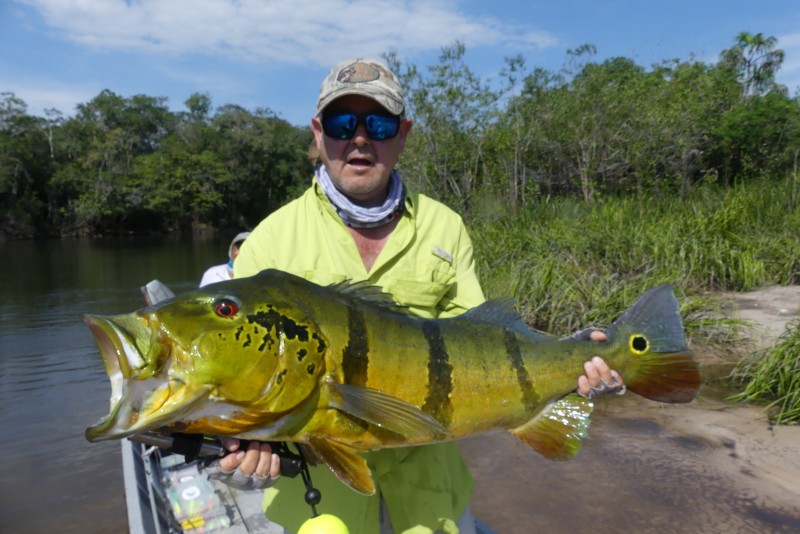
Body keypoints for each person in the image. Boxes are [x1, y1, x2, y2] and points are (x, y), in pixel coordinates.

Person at [218, 58, 624, 533]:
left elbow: (482, 339)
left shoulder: (444, 226)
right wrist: (242, 436)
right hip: (319, 499)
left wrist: (575, 363)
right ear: (317, 130)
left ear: (404, 132)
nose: (361, 138)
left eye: (381, 123)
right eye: (341, 122)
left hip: (431, 494)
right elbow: (244, 376)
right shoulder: (270, 242)